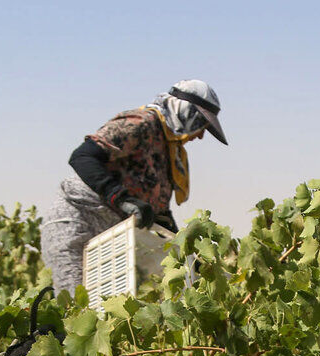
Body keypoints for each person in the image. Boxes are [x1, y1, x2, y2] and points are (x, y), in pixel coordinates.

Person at [40, 79, 228, 295]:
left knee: (107, 312)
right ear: (186, 113)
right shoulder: (140, 124)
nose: (202, 135)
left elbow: (158, 216)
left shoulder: (169, 152)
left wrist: (187, 257)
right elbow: (83, 157)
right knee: (75, 305)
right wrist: (121, 198)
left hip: (111, 240)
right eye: (201, 124)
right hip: (77, 223)